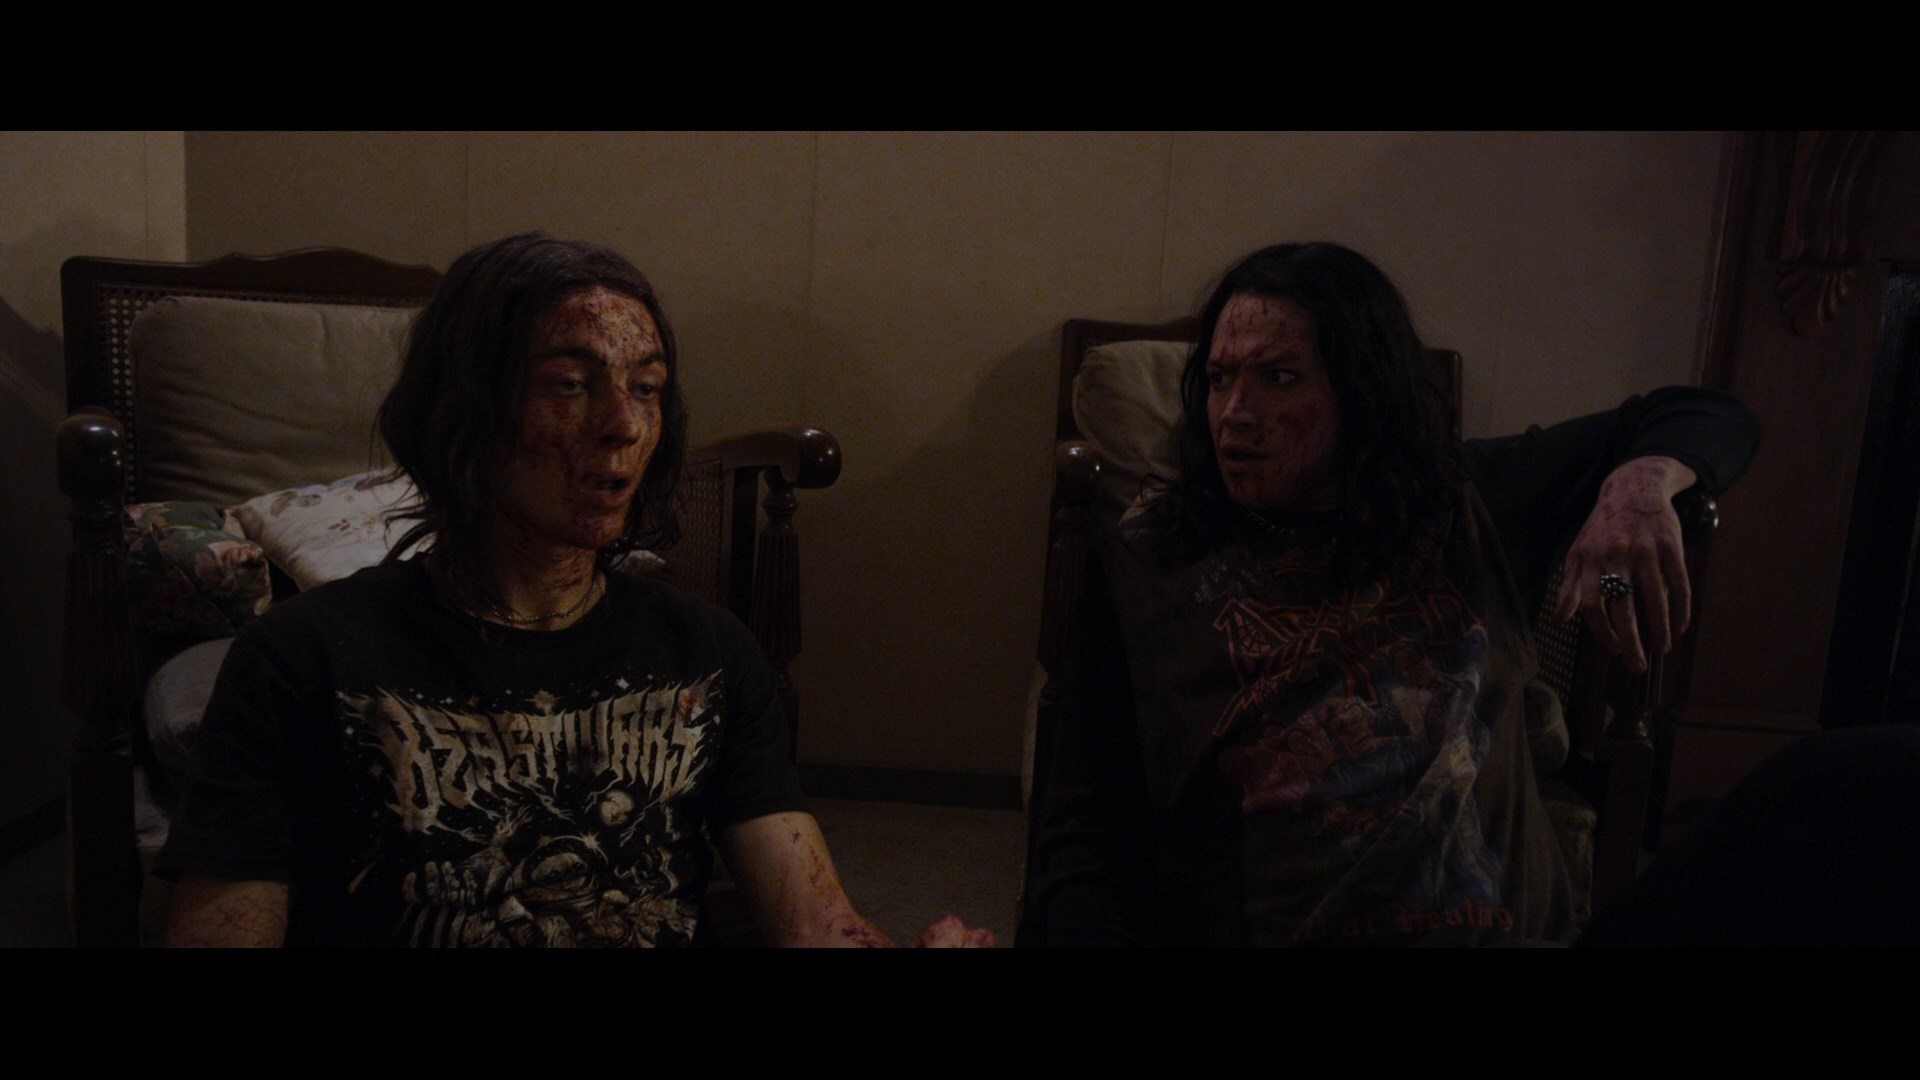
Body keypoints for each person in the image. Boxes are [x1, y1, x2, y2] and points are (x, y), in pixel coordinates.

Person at [159, 232, 992, 948]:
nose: (622, 424)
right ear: (465, 405)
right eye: (570, 383)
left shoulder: (707, 653)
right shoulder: (303, 656)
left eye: (646, 387)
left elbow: (814, 924)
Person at [1018, 241, 1762, 946]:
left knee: (1792, 810)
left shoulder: (1464, 505)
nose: (1235, 413)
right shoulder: (1148, 563)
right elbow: (1086, 834)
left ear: (1363, 391)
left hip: (1498, 935)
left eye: (1279, 378)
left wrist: (1637, 487)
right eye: (1218, 379)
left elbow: (1708, 413)